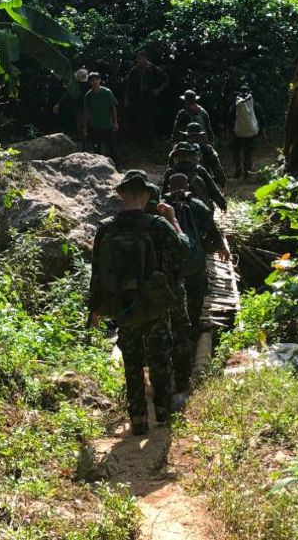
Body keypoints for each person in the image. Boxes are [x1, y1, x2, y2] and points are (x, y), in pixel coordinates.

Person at [89, 170, 191, 436]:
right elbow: (184, 255)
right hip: (155, 303)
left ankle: (137, 419)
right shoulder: (158, 226)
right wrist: (174, 221)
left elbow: (97, 272)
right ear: (146, 195)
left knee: (132, 361)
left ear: (121, 195)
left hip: (124, 306)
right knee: (160, 357)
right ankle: (163, 414)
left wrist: (95, 309)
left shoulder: (105, 228)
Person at [164, 173, 230, 392]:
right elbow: (211, 228)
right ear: (188, 185)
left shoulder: (160, 207)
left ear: (169, 186)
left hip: (170, 267)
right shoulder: (198, 205)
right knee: (197, 293)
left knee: (173, 301)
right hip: (194, 261)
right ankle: (192, 326)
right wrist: (221, 246)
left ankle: (174, 333)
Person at [163, 142, 227, 213]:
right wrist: (222, 203)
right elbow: (212, 188)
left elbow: (164, 193)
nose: (183, 157)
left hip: (174, 209)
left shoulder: (170, 172)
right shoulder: (199, 170)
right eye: (182, 155)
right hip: (201, 208)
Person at [123, 51, 169, 138]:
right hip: (137, 98)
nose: (138, 60)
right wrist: (126, 98)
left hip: (150, 97)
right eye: (137, 58)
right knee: (138, 118)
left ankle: (149, 139)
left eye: (140, 58)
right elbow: (127, 84)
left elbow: (165, 79)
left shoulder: (153, 69)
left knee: (149, 118)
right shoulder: (135, 70)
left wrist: (158, 90)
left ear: (145, 58)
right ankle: (139, 140)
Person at [226, 84, 267, 178]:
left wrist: (229, 132)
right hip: (250, 133)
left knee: (236, 151)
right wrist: (263, 133)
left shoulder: (235, 105)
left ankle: (238, 168)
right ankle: (247, 171)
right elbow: (261, 120)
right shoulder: (255, 105)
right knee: (248, 152)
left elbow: (229, 120)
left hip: (237, 133)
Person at [83, 72, 120, 166]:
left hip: (107, 125)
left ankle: (118, 169)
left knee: (113, 149)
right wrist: (85, 127)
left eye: (96, 79)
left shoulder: (107, 92)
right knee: (97, 150)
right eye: (92, 80)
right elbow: (87, 112)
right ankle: (99, 170)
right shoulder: (88, 95)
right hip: (95, 126)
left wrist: (115, 123)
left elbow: (113, 108)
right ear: (89, 82)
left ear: (100, 80)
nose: (95, 82)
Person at [182, 122, 227, 193]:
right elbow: (216, 167)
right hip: (204, 182)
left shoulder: (180, 149)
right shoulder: (207, 148)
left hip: (183, 184)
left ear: (187, 135)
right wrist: (222, 184)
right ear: (200, 135)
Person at [53, 67, 90, 140]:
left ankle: (85, 141)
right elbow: (67, 94)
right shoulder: (76, 85)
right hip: (79, 108)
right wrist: (58, 104)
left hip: (85, 108)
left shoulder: (88, 85)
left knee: (84, 125)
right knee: (81, 126)